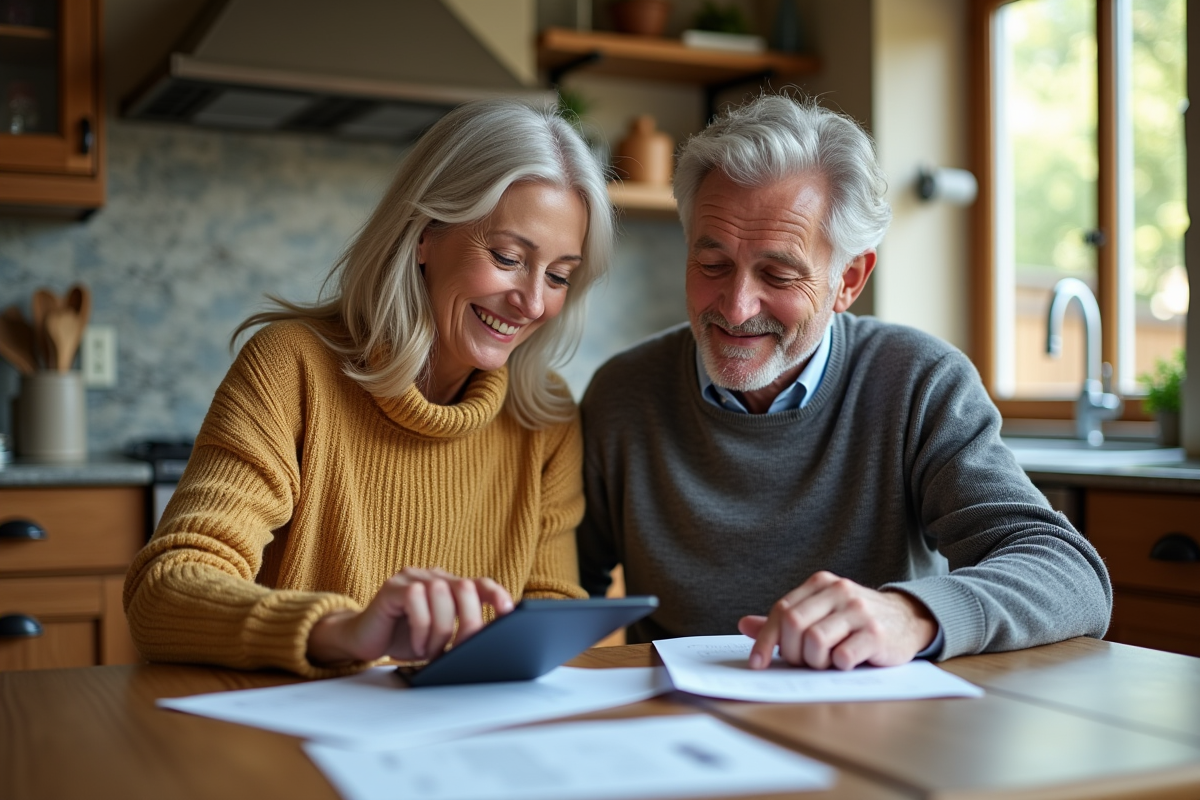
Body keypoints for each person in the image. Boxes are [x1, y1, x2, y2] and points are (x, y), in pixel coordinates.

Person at [577, 95, 1111, 671]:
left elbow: (1069, 572)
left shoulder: (919, 384)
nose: (735, 306)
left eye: (778, 274)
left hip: (874, 730)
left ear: (848, 279)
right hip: (677, 726)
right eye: (713, 265)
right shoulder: (622, 395)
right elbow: (560, 586)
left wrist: (909, 615)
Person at [123, 99, 614, 677]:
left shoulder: (545, 413)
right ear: (425, 236)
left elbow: (548, 612)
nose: (533, 302)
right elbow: (165, 591)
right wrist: (343, 631)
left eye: (559, 275)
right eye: (508, 257)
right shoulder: (293, 368)